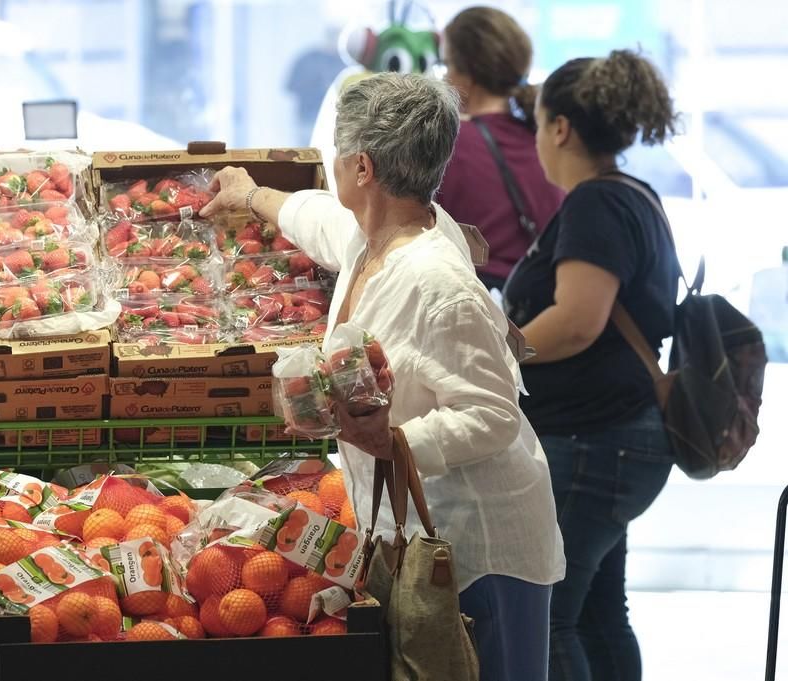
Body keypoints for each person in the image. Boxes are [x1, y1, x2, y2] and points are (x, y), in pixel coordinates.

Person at [202, 72, 564, 681]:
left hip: (474, 548)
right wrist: (252, 193)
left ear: (362, 168)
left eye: (338, 156)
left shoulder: (438, 282)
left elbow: (492, 415)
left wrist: (391, 441)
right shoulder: (372, 235)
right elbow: (314, 216)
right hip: (410, 531)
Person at [501, 50, 681, 681]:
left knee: (551, 618)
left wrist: (500, 352)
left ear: (561, 129)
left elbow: (578, 319)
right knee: (602, 614)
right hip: (619, 438)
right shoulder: (635, 196)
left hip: (591, 441)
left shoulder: (595, 207)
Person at [436, 6, 564, 291]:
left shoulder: (448, 142)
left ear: (466, 74)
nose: (444, 78)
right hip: (537, 307)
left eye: (447, 66)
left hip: (471, 302)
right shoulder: (547, 141)